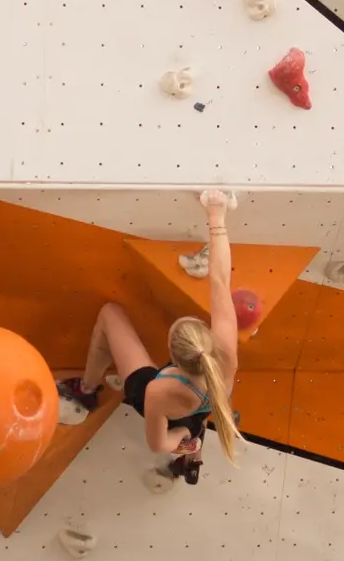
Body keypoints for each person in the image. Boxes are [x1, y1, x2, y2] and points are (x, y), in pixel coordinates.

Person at [57, 190, 243, 484]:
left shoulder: (158, 390)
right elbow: (220, 280)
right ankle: (192, 461)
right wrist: (216, 215)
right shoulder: (225, 357)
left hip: (173, 410)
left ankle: (86, 389)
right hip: (203, 401)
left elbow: (157, 444)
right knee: (196, 422)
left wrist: (186, 443)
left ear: (172, 354)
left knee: (110, 314)